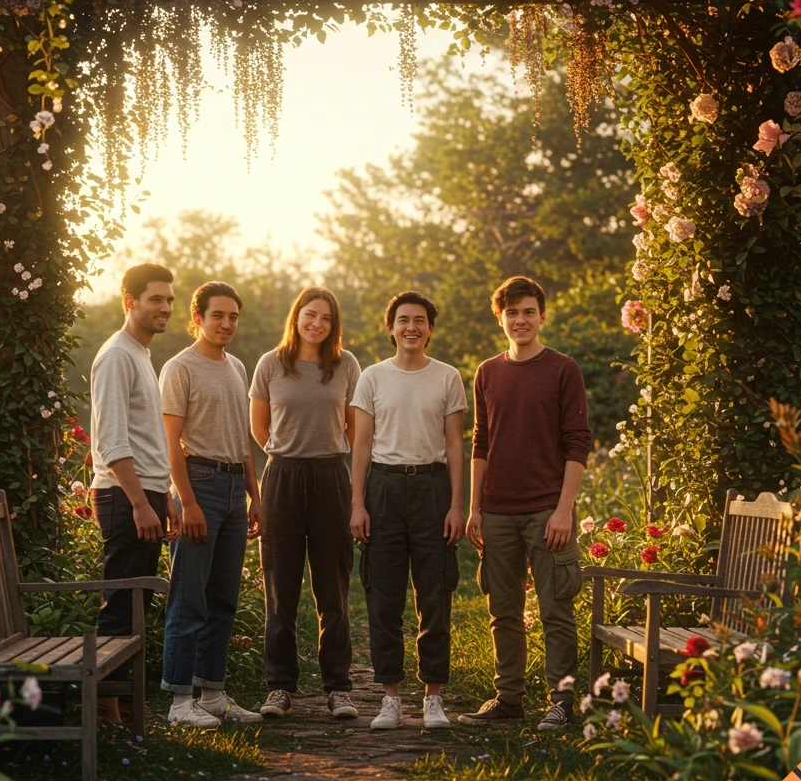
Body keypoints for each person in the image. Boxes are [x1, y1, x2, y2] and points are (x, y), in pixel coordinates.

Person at [458, 276, 591, 731]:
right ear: (500, 318)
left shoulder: (563, 369)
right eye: (512, 312)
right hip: (496, 512)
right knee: (504, 613)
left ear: (542, 316)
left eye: (528, 311)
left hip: (547, 511)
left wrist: (564, 509)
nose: (521, 320)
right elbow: (481, 442)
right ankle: (508, 699)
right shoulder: (487, 372)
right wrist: (475, 508)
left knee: (556, 611)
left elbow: (578, 442)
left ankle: (561, 701)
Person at [350, 291, 466, 730]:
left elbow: (455, 444)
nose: (411, 327)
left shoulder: (447, 377)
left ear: (430, 328)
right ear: (391, 327)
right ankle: (391, 697)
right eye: (403, 320)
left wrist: (457, 504)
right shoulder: (373, 378)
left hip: (432, 488)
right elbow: (361, 446)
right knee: (384, 597)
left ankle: (433, 697)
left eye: (419, 320)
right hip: (383, 488)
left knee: (434, 596)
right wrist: (358, 504)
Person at [250, 287, 362, 720]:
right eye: (311, 315)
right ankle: (280, 687)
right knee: (281, 589)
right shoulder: (270, 364)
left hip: (331, 476)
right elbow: (260, 428)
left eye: (326, 318)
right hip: (283, 476)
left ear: (334, 325)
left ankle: (338, 688)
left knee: (333, 589)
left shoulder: (346, 365)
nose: (317, 323)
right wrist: (289, 452)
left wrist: (323, 452)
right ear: (296, 316)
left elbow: (353, 428)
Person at [159, 281, 263, 728]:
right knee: (189, 597)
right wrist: (187, 502)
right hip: (198, 483)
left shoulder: (237, 367)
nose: (226, 324)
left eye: (233, 317)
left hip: (235, 487)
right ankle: (180, 700)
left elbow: (243, 438)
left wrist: (255, 496)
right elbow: (170, 444)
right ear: (197, 317)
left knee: (223, 597)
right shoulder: (179, 368)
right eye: (218, 315)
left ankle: (213, 694)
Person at [89, 264, 182, 725]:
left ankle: (124, 709)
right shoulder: (116, 356)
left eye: (169, 299)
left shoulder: (140, 354)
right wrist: (141, 503)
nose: (165, 307)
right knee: (121, 606)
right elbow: (111, 442)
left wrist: (163, 494)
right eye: (155, 299)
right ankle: (106, 715)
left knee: (136, 608)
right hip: (124, 497)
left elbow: (144, 439)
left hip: (144, 494)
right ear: (130, 302)